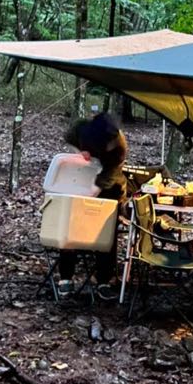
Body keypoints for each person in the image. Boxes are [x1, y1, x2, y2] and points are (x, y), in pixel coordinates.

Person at [58, 112, 128, 300]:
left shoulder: (119, 147)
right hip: (80, 177)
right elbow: (68, 138)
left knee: (106, 235)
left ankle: (104, 280)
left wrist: (89, 197)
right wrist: (80, 152)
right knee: (70, 229)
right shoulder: (81, 129)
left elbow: (107, 177)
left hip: (108, 188)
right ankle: (65, 278)